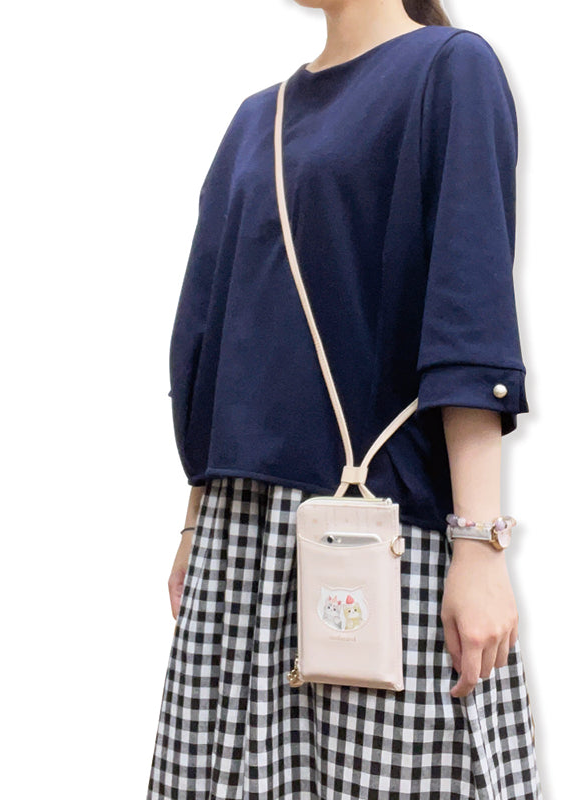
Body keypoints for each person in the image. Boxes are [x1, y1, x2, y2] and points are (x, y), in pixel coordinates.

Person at [147, 1, 543, 797]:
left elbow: (467, 313)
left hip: (381, 535)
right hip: (239, 538)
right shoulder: (255, 120)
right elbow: (211, 339)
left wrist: (479, 547)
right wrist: (194, 522)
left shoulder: (450, 70)